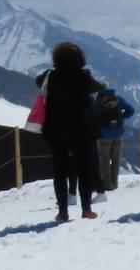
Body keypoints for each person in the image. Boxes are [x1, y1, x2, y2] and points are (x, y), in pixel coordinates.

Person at [41, 41, 103, 221]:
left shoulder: (50, 76)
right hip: (82, 129)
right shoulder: (83, 76)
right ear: (80, 59)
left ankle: (62, 211)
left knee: (59, 170)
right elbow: (97, 86)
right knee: (84, 169)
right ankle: (86, 209)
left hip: (57, 129)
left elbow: (39, 82)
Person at [92, 87, 134, 192]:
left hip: (104, 135)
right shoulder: (118, 99)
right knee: (116, 158)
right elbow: (131, 111)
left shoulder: (98, 102)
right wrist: (120, 117)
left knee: (104, 159)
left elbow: (93, 118)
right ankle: (115, 183)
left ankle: (107, 184)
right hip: (118, 133)